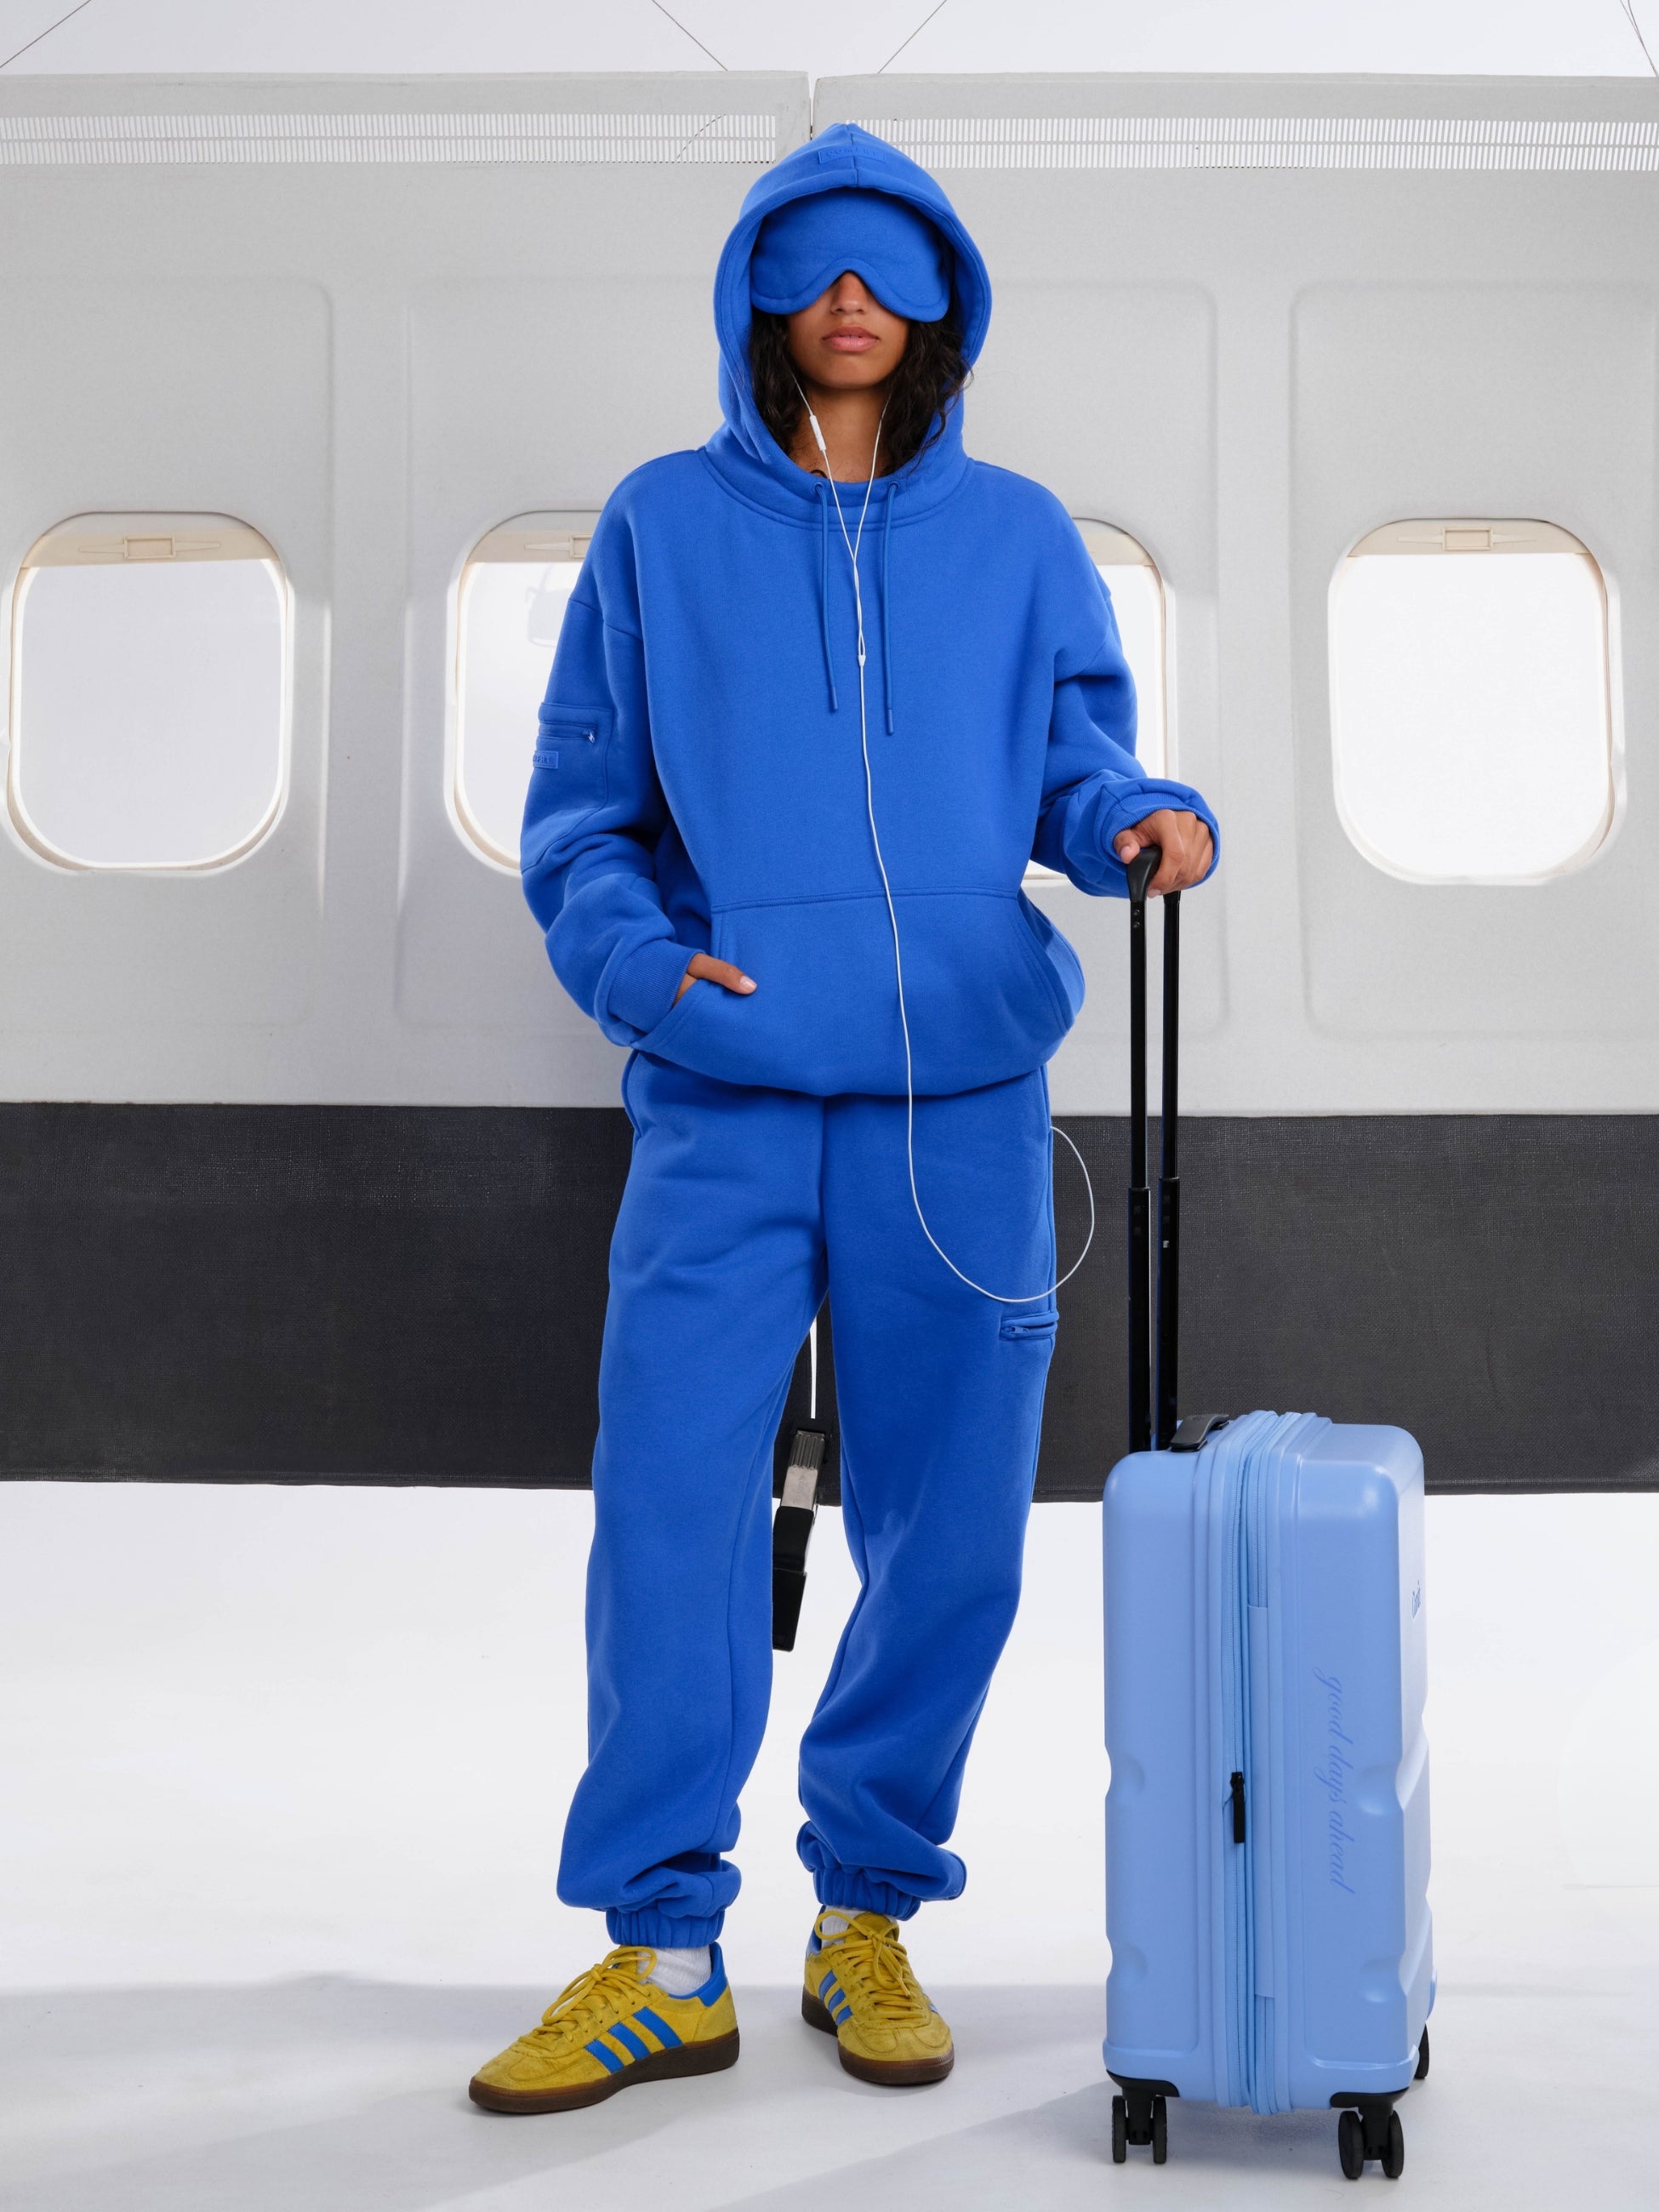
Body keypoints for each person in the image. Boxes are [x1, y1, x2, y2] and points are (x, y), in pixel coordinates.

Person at [469, 123, 1217, 2116]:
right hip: (721, 1098)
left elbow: (1076, 764)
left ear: (948, 299)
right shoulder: (661, 524)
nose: (855, 300)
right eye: (815, 268)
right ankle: (661, 1947)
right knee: (668, 1515)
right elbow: (580, 816)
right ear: (758, 298)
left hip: (956, 1100)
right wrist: (644, 971)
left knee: (952, 1529)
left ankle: (867, 1911)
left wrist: (1139, 818)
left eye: (891, 269)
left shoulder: (1021, 535)